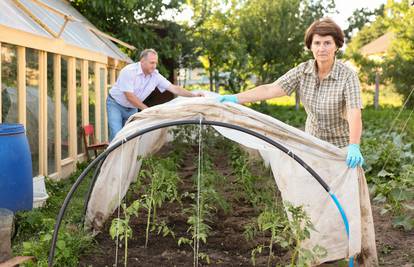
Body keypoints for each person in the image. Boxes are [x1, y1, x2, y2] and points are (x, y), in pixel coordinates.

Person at [217, 18, 364, 168]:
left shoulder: (348, 76)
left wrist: (353, 146)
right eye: (317, 43)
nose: (322, 48)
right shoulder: (303, 71)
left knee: (341, 190)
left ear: (336, 46)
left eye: (327, 43)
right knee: (314, 187)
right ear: (310, 46)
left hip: (341, 147)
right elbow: (270, 89)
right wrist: (234, 98)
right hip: (313, 144)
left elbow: (354, 113)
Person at [107, 48, 203, 141]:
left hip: (132, 108)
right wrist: (147, 110)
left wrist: (193, 95)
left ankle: (126, 157)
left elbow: (174, 88)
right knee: (117, 135)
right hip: (116, 105)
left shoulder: (155, 76)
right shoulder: (129, 71)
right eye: (152, 62)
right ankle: (109, 157)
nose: (154, 66)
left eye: (156, 63)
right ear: (142, 61)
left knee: (131, 137)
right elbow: (129, 96)